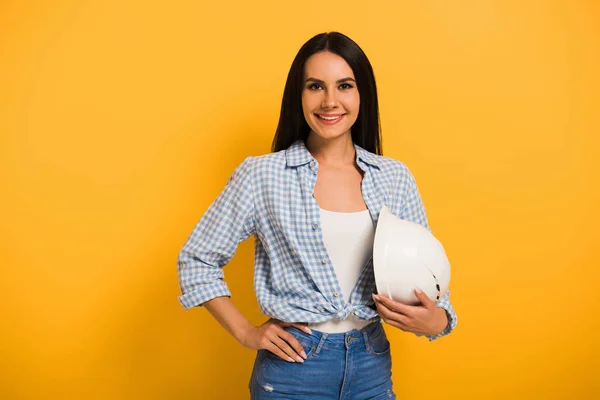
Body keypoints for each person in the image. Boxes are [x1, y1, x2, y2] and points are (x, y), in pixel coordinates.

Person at [177, 31, 458, 399]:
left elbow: (428, 272)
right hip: (292, 371)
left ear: (362, 94)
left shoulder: (394, 178)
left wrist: (437, 320)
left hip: (371, 365)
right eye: (315, 86)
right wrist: (247, 332)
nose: (330, 101)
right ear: (299, 94)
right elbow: (196, 260)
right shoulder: (262, 175)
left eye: (344, 85)